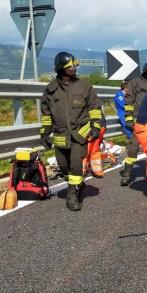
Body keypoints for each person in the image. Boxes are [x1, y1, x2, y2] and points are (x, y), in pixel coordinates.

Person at [40, 52, 102, 211]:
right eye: (70, 67)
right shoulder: (51, 89)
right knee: (63, 165)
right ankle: (77, 184)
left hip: (80, 132)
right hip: (60, 134)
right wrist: (45, 133)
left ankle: (72, 195)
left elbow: (94, 107)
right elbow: (46, 114)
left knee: (76, 163)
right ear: (60, 68)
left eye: (75, 66)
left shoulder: (84, 86)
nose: (74, 69)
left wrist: (95, 126)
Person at [120, 62, 147, 186]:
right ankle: (127, 173)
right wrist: (128, 118)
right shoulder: (135, 82)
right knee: (133, 147)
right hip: (138, 120)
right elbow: (129, 100)